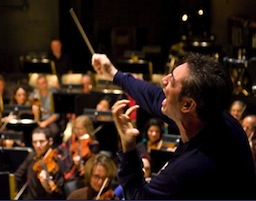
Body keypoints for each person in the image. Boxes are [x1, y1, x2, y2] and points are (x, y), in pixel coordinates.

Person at [92, 52, 256, 199]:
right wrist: (114, 74)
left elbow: (139, 198)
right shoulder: (211, 117)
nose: (164, 81)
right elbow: (153, 97)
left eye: (172, 81)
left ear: (187, 105)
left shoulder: (191, 166)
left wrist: (128, 148)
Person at [14, 127, 65, 200]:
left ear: (50, 141)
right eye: (35, 142)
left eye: (41, 141)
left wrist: (47, 185)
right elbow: (18, 175)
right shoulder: (32, 156)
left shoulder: (57, 161)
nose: (38, 145)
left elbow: (59, 195)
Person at [58, 115, 98, 197]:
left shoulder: (93, 144)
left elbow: (93, 163)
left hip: (82, 176)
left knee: (70, 186)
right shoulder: (72, 139)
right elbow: (61, 149)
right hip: (68, 170)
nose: (77, 131)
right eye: (76, 128)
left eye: (80, 129)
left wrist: (82, 167)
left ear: (87, 129)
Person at [29, 74, 62, 146]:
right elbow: (29, 109)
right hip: (38, 120)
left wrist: (45, 123)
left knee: (54, 130)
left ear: (46, 83)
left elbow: (57, 114)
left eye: (43, 83)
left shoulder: (53, 94)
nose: (41, 85)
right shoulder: (35, 94)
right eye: (39, 83)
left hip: (50, 120)